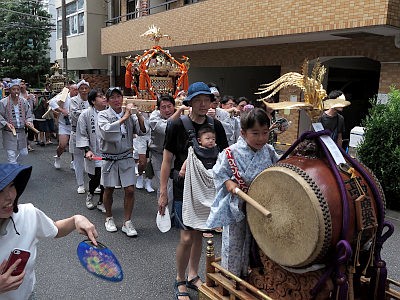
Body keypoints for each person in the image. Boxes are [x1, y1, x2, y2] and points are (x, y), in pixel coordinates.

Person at [158, 82, 228, 300]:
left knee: (199, 233)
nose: (203, 104)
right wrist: (162, 192)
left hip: (207, 188)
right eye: (198, 100)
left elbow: (225, 156)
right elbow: (167, 159)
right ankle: (179, 277)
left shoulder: (216, 126)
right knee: (187, 236)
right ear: (189, 102)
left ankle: (193, 274)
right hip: (183, 188)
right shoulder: (177, 125)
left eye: (206, 99)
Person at [0, 163, 98, 300]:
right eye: (0, 191)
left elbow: (56, 229)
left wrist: (76, 219)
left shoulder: (28, 214)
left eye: (11, 186)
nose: (9, 197)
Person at [206, 107, 279, 278]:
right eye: (255, 133)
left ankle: (251, 277)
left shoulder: (268, 151)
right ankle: (231, 279)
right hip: (238, 203)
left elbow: (279, 170)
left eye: (265, 132)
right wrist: (228, 182)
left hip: (261, 204)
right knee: (234, 242)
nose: (261, 138)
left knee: (258, 243)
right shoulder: (231, 152)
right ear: (243, 133)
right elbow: (218, 172)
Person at [97, 87, 147, 237]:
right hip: (110, 157)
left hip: (126, 155)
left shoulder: (129, 115)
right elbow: (106, 132)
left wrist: (139, 115)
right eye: (113, 97)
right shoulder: (103, 115)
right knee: (109, 189)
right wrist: (125, 117)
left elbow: (142, 131)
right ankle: (109, 217)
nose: (117, 100)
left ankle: (127, 221)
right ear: (107, 100)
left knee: (130, 190)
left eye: (119, 96)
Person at [148, 95, 188, 201]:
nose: (167, 110)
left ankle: (172, 213)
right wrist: (179, 112)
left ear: (174, 106)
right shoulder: (154, 117)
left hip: (176, 156)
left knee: (176, 183)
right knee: (163, 185)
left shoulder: (182, 115)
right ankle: (163, 212)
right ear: (158, 108)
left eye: (169, 106)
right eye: (163, 107)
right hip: (158, 155)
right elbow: (166, 127)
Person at [76, 89, 107, 212]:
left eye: (104, 95)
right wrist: (87, 150)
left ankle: (101, 202)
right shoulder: (85, 114)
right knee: (95, 178)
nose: (104, 98)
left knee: (106, 178)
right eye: (100, 96)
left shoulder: (109, 113)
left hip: (106, 151)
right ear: (93, 101)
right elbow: (82, 134)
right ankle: (90, 195)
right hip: (93, 152)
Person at [0, 80, 34, 164]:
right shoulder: (3, 102)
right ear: (9, 90)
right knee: (11, 155)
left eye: (18, 89)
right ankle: (14, 170)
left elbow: (29, 114)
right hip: (9, 132)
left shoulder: (24, 102)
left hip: (21, 132)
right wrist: (6, 123)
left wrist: (29, 121)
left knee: (24, 153)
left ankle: (15, 166)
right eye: (13, 89)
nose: (16, 91)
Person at [50, 83, 78, 169]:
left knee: (75, 146)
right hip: (64, 124)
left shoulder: (80, 98)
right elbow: (52, 102)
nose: (76, 91)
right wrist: (62, 110)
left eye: (77, 89)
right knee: (62, 145)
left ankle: (74, 162)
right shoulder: (64, 96)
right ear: (70, 89)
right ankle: (58, 157)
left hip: (76, 125)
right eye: (74, 89)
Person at [69, 80, 90, 194]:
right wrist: (88, 112)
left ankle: (93, 183)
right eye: (81, 88)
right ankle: (80, 184)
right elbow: (74, 114)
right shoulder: (73, 100)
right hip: (76, 132)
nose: (83, 90)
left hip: (90, 133)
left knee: (91, 159)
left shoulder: (91, 100)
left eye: (85, 88)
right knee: (78, 160)